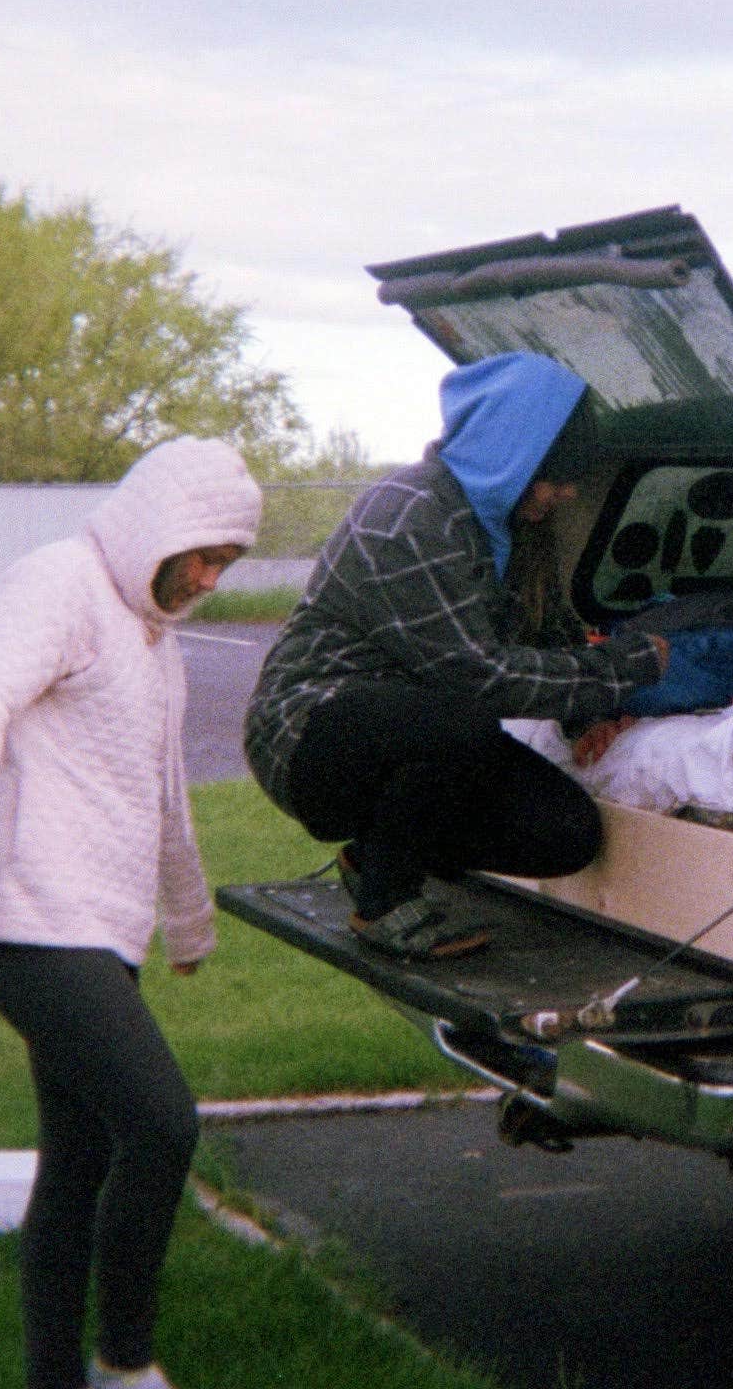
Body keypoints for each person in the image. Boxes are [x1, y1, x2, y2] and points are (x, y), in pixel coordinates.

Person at [0, 436, 261, 1389]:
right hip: (24, 919)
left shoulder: (156, 642)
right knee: (161, 1123)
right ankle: (127, 1365)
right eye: (203, 553)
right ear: (158, 527)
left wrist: (186, 921)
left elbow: (165, 795)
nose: (209, 577)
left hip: (93, 931)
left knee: (82, 1152)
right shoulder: (59, 581)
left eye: (226, 562)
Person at [244, 351, 667, 957]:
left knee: (565, 833)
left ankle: (375, 857)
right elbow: (479, 674)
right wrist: (624, 667)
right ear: (510, 454)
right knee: (464, 718)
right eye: (556, 474)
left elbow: (546, 633)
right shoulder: (409, 514)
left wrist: (583, 714)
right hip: (308, 730)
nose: (567, 491)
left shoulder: (505, 524)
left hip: (419, 724)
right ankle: (385, 903)